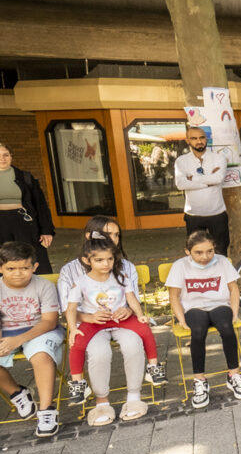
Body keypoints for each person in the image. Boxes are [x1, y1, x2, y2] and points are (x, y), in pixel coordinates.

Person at [64, 237, 164, 423]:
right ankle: (80, 385)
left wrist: (139, 314)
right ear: (87, 261)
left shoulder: (120, 276)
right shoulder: (81, 282)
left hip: (119, 319)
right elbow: (71, 308)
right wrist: (72, 329)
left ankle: (152, 369)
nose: (106, 263)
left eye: (109, 259)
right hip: (95, 321)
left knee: (142, 331)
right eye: (99, 260)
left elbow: (131, 298)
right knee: (79, 344)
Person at [165, 230, 241, 409]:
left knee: (227, 327)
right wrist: (181, 319)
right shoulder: (180, 266)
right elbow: (174, 296)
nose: (205, 256)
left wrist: (234, 313)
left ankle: (233, 375)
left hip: (219, 304)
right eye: (198, 252)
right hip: (194, 308)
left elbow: (233, 289)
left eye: (209, 251)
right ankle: (200, 381)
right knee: (197, 332)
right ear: (187, 251)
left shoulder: (222, 262)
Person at [0, 241, 65, 437]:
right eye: (10, 268)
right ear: (0, 267)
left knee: (41, 356)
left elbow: (49, 321)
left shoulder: (44, 286)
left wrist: (19, 340)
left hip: (41, 331)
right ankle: (17, 393)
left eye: (24, 268)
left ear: (34, 267)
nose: (17, 273)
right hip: (6, 332)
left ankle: (46, 410)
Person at [173, 126, 230, 254]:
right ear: (188, 140)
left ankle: (220, 274)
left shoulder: (219, 158)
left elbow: (218, 179)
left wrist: (192, 178)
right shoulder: (181, 161)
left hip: (217, 213)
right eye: (194, 138)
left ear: (206, 139)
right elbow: (181, 184)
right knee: (195, 251)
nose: (199, 141)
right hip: (193, 215)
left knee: (221, 251)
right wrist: (208, 182)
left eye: (202, 137)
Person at [0, 142, 55, 274]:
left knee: (31, 257)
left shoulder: (25, 177)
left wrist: (46, 230)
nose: (2, 158)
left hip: (23, 222)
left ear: (11, 156)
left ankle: (40, 290)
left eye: (5, 155)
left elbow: (40, 204)